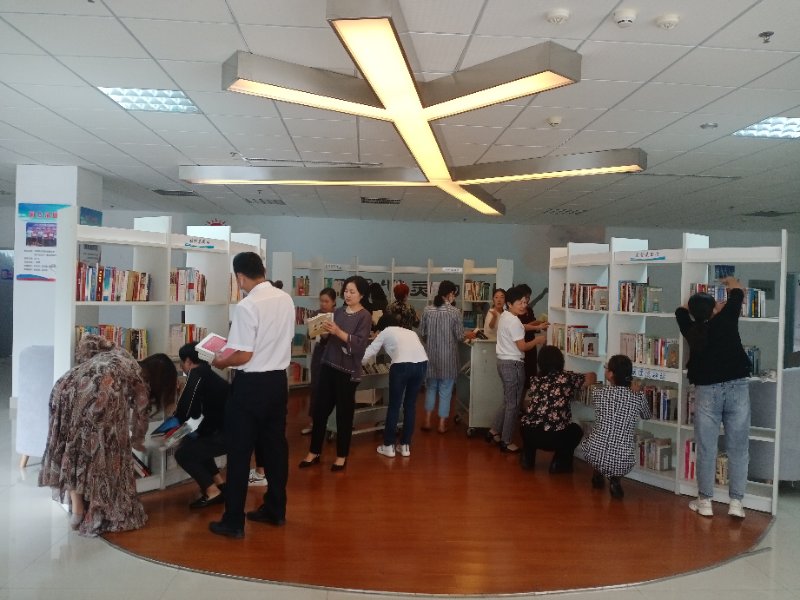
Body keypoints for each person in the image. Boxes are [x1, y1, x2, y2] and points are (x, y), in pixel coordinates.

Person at [38, 334, 176, 537]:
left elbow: (88, 341)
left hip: (65, 387)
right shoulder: (139, 378)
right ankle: (95, 510)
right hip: (97, 397)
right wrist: (137, 441)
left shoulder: (119, 352)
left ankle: (77, 508)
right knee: (103, 455)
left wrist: (90, 360)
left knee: (71, 447)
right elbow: (141, 415)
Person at [208, 252, 295, 539]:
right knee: (275, 448)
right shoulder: (285, 299)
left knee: (239, 451)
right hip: (278, 382)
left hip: (251, 387)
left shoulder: (247, 305)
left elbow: (244, 355)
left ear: (240, 277)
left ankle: (234, 520)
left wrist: (221, 361)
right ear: (263, 270)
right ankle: (276, 509)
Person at [676, 276, 752, 519]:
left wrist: (698, 308)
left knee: (707, 448)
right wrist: (730, 281)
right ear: (713, 309)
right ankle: (736, 503)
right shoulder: (727, 319)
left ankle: (705, 502)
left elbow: (681, 311)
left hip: (706, 391)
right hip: (737, 388)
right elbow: (737, 292)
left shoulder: (690, 329)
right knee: (738, 448)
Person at [300, 275, 372, 472]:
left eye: (352, 292)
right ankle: (314, 452)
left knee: (343, 415)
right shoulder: (338, 312)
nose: (347, 295)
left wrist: (338, 332)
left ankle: (341, 456)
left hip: (347, 372)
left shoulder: (364, 316)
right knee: (320, 411)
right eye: (346, 291)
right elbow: (326, 340)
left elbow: (359, 345)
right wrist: (321, 331)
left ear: (361, 295)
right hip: (328, 365)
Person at [486, 286, 547, 453]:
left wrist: (537, 327)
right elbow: (523, 346)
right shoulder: (513, 321)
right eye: (520, 303)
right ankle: (506, 441)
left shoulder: (506, 316)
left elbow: (521, 327)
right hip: (513, 365)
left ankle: (493, 431)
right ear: (510, 304)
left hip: (503, 363)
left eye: (525, 302)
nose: (523, 306)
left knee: (508, 401)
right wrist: (538, 340)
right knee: (513, 405)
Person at [580, 354, 651, 499]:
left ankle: (598, 473)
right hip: (623, 459)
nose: (605, 370)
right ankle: (615, 480)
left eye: (606, 368)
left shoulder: (598, 393)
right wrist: (638, 393)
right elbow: (646, 415)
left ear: (611, 374)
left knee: (595, 440)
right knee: (618, 450)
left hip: (594, 452)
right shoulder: (637, 397)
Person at [520, 345, 597, 473]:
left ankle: (527, 458)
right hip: (553, 437)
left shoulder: (535, 379)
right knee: (576, 430)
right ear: (561, 361)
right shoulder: (567, 378)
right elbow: (591, 377)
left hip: (528, 433)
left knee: (530, 423)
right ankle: (560, 462)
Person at [173, 342, 230, 509]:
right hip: (232, 431)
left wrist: (172, 431)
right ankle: (219, 483)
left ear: (188, 361)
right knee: (195, 442)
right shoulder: (210, 374)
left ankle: (212, 492)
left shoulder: (196, 374)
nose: (181, 367)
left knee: (183, 454)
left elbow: (184, 410)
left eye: (181, 362)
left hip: (225, 436)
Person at [364, 314, 428, 458]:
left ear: (382, 327)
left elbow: (371, 351)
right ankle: (405, 446)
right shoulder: (410, 332)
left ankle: (388, 446)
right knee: (410, 406)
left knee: (394, 406)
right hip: (422, 365)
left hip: (401, 366)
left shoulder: (386, 331)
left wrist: (355, 364)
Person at [419, 280, 476, 433]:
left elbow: (422, 333)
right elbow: (459, 336)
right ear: (450, 294)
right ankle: (441, 424)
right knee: (446, 390)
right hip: (448, 358)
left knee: (431, 388)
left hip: (431, 356)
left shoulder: (427, 310)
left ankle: (427, 420)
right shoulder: (455, 312)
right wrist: (469, 334)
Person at [301, 287, 337, 435]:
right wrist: (314, 329)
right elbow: (309, 335)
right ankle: (314, 422)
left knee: (332, 388)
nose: (323, 304)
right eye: (321, 301)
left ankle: (332, 423)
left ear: (334, 302)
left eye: (326, 301)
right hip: (320, 352)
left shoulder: (338, 315)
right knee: (316, 386)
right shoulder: (316, 314)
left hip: (334, 353)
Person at [517, 284, 549, 382]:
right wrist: (536, 324)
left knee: (532, 369)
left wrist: (542, 326)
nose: (527, 299)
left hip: (531, 341)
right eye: (526, 297)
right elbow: (520, 328)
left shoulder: (529, 309)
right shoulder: (515, 312)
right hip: (521, 342)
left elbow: (533, 327)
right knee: (522, 372)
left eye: (528, 297)